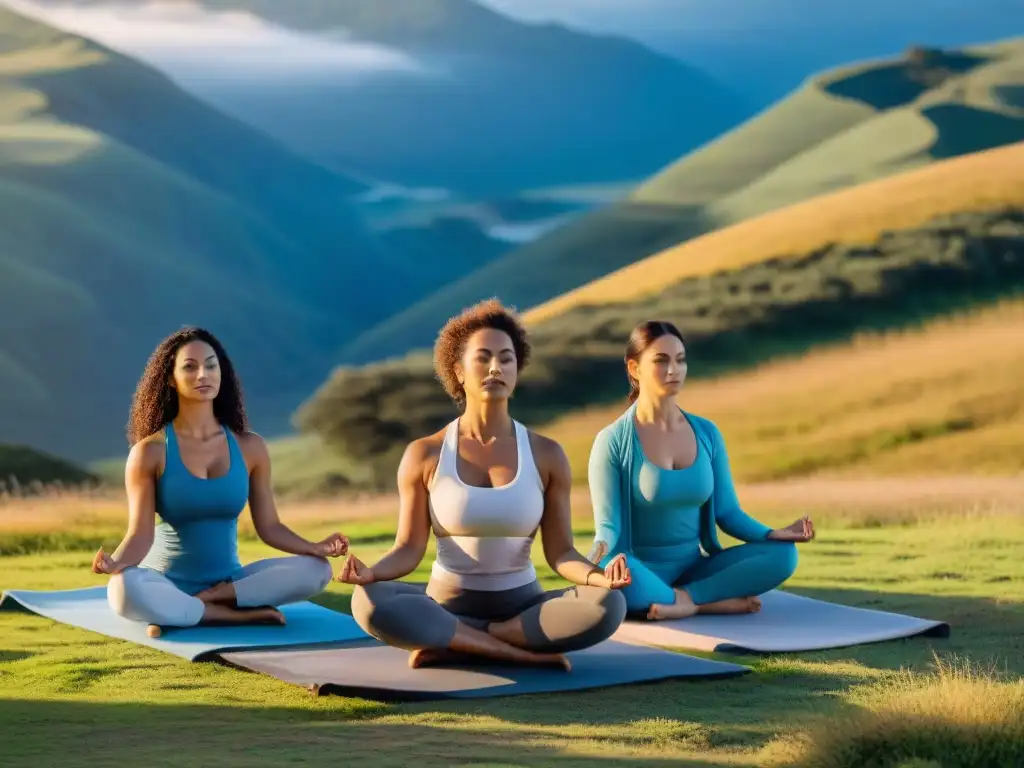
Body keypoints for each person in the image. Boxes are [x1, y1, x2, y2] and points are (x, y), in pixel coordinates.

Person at [339, 299, 630, 671]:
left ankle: (458, 640)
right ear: (458, 371)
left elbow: (560, 553)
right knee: (368, 602)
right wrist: (373, 573)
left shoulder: (547, 454)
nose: (496, 367)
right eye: (483, 357)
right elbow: (409, 549)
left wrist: (599, 576)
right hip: (445, 603)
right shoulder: (424, 454)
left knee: (609, 605)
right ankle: (515, 653)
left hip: (523, 610)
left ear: (517, 369)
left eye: (506, 358)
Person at [93, 327, 349, 631]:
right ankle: (219, 613)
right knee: (122, 590)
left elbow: (270, 527)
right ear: (170, 379)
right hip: (164, 582)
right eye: (190, 366)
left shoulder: (250, 447)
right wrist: (117, 563)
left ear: (221, 373)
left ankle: (202, 605)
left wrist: (315, 547)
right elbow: (140, 534)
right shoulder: (150, 452)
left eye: (211, 365)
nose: (203, 374)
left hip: (230, 583)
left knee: (317, 570)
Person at [587, 320, 814, 621]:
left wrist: (773, 533)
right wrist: (599, 559)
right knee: (623, 582)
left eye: (680, 360)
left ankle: (686, 600)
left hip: (695, 569)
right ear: (634, 369)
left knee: (784, 555)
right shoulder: (612, 441)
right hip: (640, 570)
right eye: (661, 361)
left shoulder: (707, 433)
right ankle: (707, 603)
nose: (674, 370)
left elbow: (728, 513)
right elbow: (608, 528)